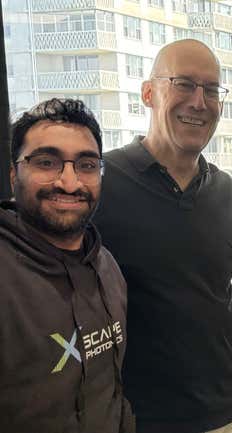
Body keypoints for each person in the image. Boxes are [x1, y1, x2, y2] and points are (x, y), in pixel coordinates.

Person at [93, 39, 232, 433]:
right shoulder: (101, 180)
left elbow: (216, 294)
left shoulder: (225, 189)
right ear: (149, 93)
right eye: (184, 84)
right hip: (145, 417)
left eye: (212, 89)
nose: (200, 101)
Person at [0, 98, 133, 432]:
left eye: (86, 165)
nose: (70, 182)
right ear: (14, 172)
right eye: (47, 162)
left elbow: (112, 391)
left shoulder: (108, 268)